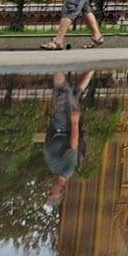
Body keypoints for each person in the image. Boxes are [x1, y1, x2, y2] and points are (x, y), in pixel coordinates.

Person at [44, 69, 94, 207]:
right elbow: (74, 145)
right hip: (65, 124)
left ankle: (92, 66)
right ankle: (57, 63)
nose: (49, 190)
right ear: (60, 190)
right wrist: (75, 122)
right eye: (51, 193)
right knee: (62, 92)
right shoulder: (67, 170)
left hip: (58, 125)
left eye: (49, 193)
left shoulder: (55, 170)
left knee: (76, 93)